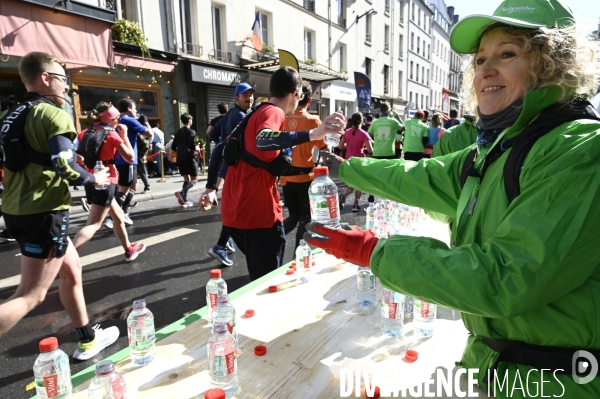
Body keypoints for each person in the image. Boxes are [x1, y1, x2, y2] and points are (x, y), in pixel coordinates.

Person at [306, 0, 600, 396]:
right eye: (480, 60)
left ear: (552, 64)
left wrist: (373, 251)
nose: (486, 71)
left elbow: (505, 278)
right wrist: (346, 169)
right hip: (492, 364)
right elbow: (422, 177)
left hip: (553, 381)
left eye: (507, 54)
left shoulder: (579, 149)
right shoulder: (502, 146)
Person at [0, 52, 119, 359]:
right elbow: (64, 166)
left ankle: (88, 339)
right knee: (31, 294)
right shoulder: (54, 113)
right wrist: (94, 179)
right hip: (44, 211)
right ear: (45, 78)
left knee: (72, 270)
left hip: (16, 208)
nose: (66, 87)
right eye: (63, 79)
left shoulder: (10, 117)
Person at [218, 66, 345, 281]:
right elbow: (264, 139)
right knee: (267, 284)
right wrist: (314, 133)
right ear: (296, 93)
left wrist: (212, 187)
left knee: (259, 276)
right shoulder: (273, 112)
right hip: (258, 213)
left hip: (235, 212)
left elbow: (223, 150)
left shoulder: (255, 112)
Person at [73, 103, 146, 261]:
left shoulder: (84, 133)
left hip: (91, 177)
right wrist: (124, 136)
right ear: (111, 119)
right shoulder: (112, 134)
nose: (119, 121)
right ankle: (65, 260)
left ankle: (129, 249)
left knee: (118, 216)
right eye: (117, 118)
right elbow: (130, 157)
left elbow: (75, 155)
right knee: (93, 224)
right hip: (107, 180)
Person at [201, 82, 255, 266]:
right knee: (238, 211)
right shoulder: (241, 116)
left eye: (251, 95)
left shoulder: (230, 115)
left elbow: (214, 135)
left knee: (235, 209)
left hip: (230, 167)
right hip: (236, 169)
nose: (249, 98)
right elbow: (222, 146)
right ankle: (221, 245)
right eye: (245, 95)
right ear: (236, 98)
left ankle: (226, 241)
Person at [280, 81, 328, 249]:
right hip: (305, 178)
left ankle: (273, 239)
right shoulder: (313, 121)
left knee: (293, 216)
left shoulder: (282, 117)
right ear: (309, 101)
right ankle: (298, 254)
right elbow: (323, 149)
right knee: (306, 217)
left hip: (285, 177)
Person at [112, 99, 153, 227]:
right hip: (128, 159)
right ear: (129, 108)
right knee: (125, 188)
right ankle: (114, 217)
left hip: (118, 158)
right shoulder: (129, 120)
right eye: (135, 108)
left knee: (134, 184)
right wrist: (145, 121)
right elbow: (149, 133)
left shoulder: (117, 120)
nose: (136, 111)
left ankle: (123, 212)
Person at [338, 112, 373, 212]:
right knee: (360, 183)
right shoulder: (363, 134)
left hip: (348, 160)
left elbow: (340, 146)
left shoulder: (347, 132)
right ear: (361, 121)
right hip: (359, 161)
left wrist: (349, 146)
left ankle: (344, 195)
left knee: (351, 182)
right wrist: (363, 148)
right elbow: (370, 150)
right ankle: (355, 204)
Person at [172, 113, 199, 207]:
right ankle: (182, 192)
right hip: (188, 157)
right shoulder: (191, 132)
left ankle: (185, 199)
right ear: (189, 120)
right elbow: (191, 145)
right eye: (191, 120)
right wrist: (197, 148)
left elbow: (173, 147)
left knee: (186, 179)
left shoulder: (178, 132)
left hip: (179, 157)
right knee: (195, 179)